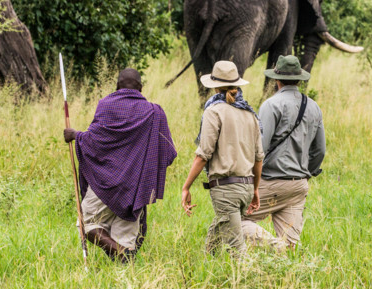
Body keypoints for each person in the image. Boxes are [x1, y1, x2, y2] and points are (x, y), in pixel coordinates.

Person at [63, 68, 177, 263]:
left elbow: (94, 141)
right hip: (135, 188)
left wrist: (75, 135)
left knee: (88, 224)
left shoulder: (106, 105)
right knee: (124, 239)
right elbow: (169, 152)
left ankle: (121, 256)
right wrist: (143, 172)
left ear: (116, 86)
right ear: (140, 88)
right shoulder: (154, 112)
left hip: (105, 184)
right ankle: (124, 261)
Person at [241, 55, 325, 251]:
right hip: (299, 186)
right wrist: (306, 172)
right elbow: (320, 150)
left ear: (276, 79)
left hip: (271, 181)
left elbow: (260, 148)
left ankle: (273, 246)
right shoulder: (314, 106)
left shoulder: (271, 105)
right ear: (299, 79)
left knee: (234, 220)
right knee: (290, 247)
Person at [181, 61, 263, 257]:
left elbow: (203, 155)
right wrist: (255, 189)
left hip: (226, 189)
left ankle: (254, 280)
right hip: (245, 187)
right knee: (216, 238)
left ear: (215, 85)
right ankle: (206, 270)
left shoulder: (213, 111)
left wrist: (186, 187)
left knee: (237, 249)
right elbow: (259, 158)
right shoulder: (250, 113)